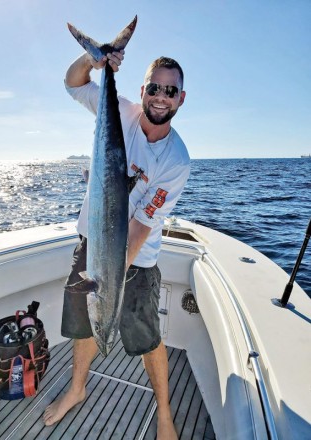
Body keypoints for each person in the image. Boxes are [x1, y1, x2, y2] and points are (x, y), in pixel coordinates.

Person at [43, 49, 190, 439]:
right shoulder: (119, 111)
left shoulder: (176, 160)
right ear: (143, 90)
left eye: (170, 91)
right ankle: (77, 388)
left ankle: (164, 414)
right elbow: (73, 82)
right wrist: (94, 62)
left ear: (180, 98)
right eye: (155, 88)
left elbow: (141, 227)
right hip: (94, 242)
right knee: (83, 326)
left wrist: (112, 273)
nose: (162, 96)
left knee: (146, 337)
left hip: (139, 258)